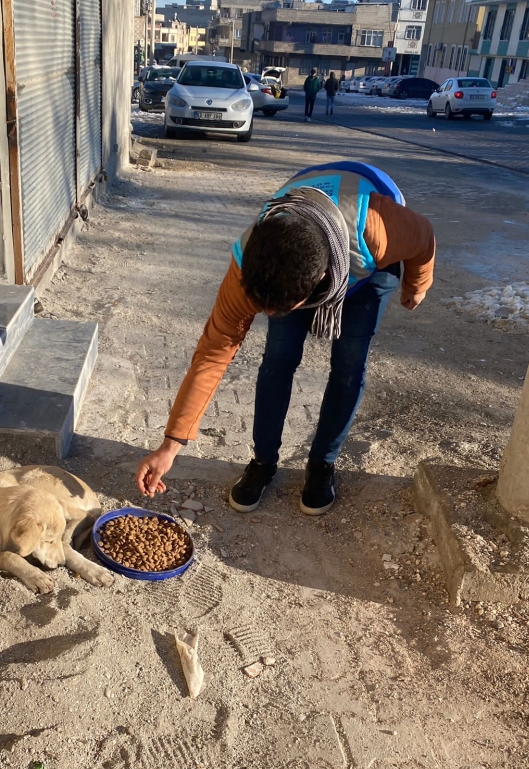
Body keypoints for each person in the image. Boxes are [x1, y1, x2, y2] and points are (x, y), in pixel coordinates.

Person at [135, 161, 436, 515]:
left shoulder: (381, 229)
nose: (271, 315)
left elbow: (424, 237)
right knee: (278, 359)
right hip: (304, 248)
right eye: (264, 307)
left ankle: (322, 464)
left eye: (282, 307)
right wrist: (170, 446)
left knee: (349, 363)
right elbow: (213, 354)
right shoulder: (248, 266)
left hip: (366, 264)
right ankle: (263, 461)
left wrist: (417, 286)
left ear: (320, 279)